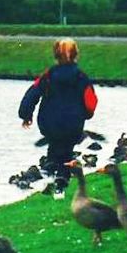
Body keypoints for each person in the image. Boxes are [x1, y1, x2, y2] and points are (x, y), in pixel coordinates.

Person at [18, 38, 98, 176]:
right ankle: (61, 187)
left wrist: (26, 115)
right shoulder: (81, 77)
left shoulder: (48, 76)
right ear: (76, 54)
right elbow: (91, 102)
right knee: (66, 156)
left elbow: (32, 95)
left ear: (55, 55)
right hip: (72, 125)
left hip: (50, 125)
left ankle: (53, 185)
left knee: (53, 153)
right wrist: (85, 114)